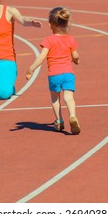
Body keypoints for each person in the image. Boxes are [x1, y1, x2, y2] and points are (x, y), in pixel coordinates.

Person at [26, 7, 81, 135]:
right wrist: (76, 60)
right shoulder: (70, 39)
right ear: (67, 23)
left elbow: (42, 57)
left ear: (50, 24)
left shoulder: (49, 40)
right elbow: (76, 55)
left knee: (55, 99)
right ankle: (72, 115)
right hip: (68, 73)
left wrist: (31, 69)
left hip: (54, 74)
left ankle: (59, 121)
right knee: (69, 97)